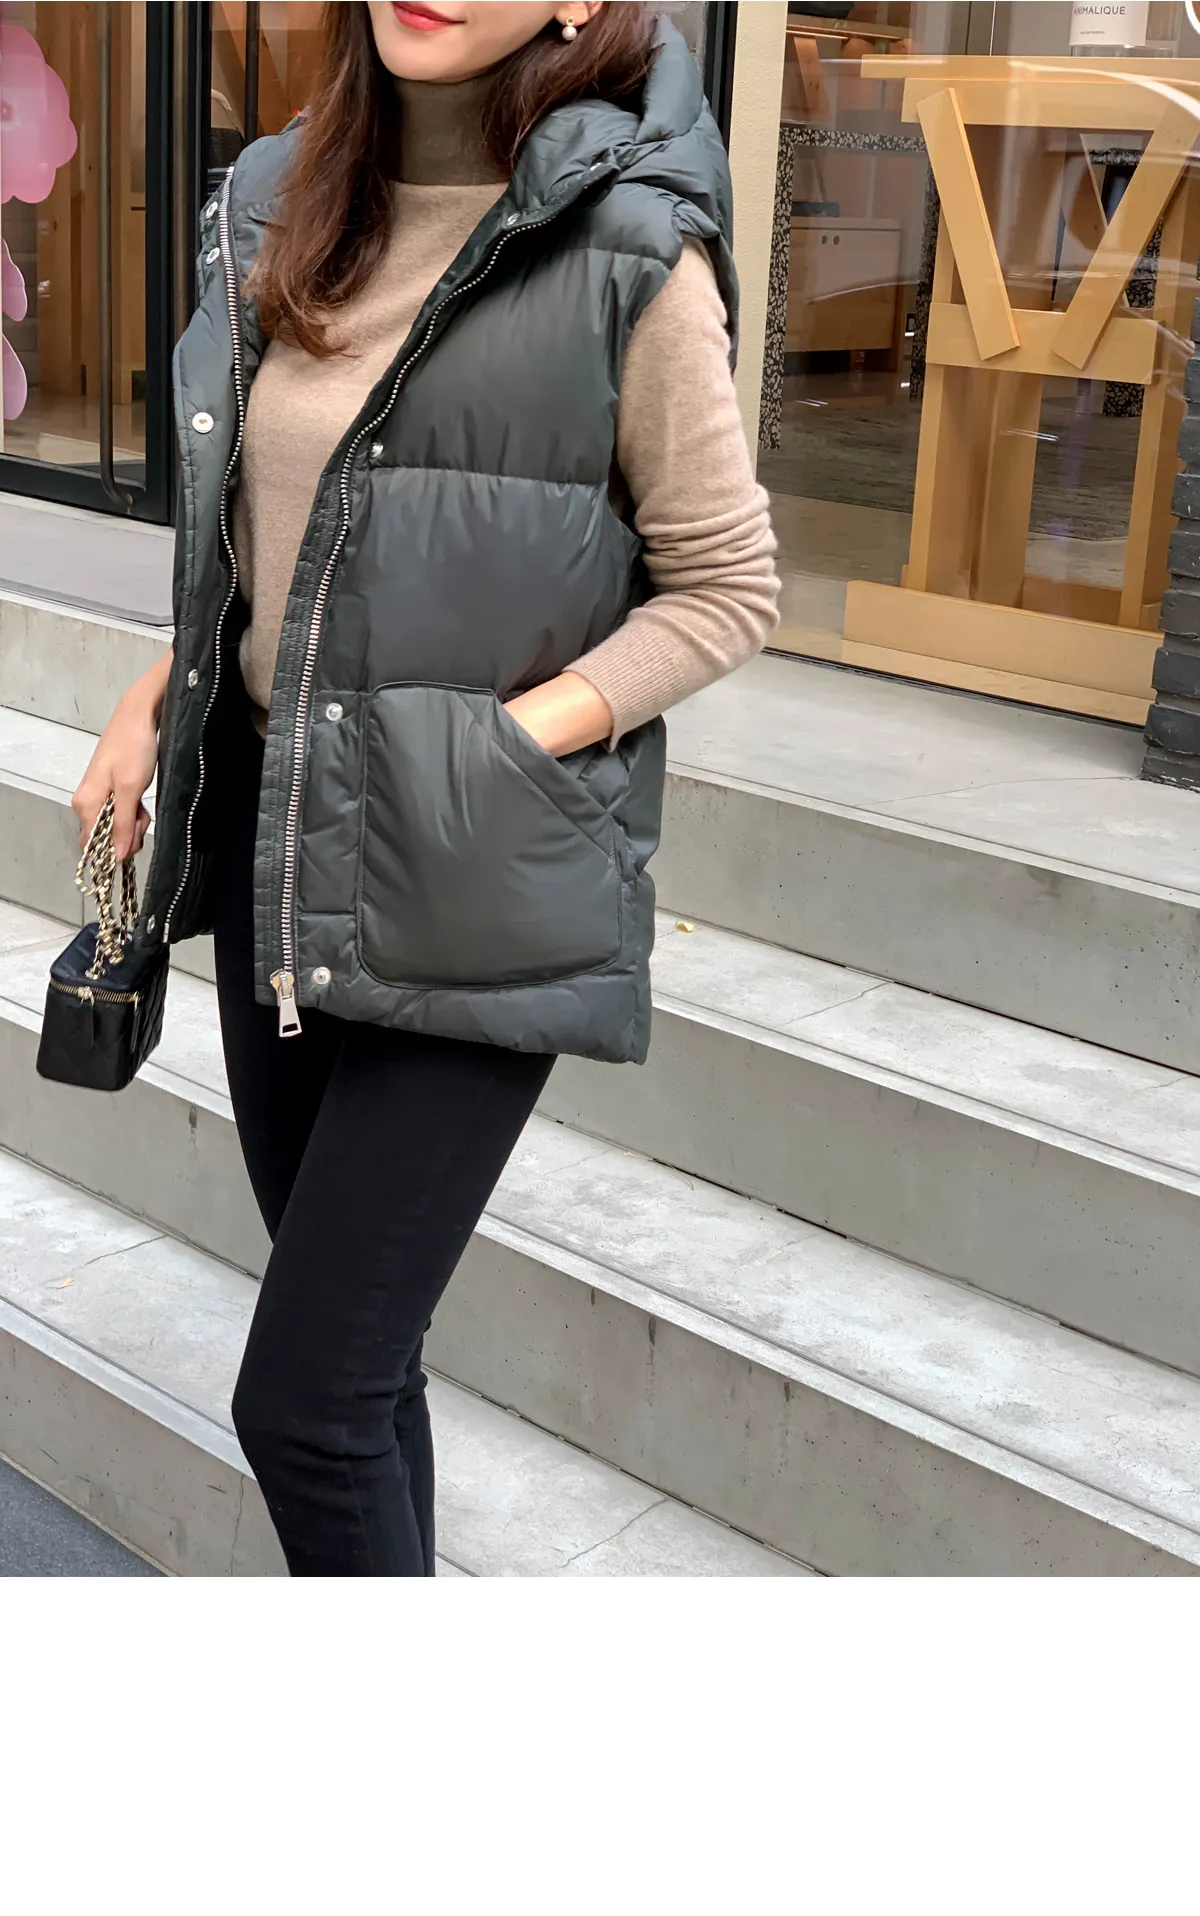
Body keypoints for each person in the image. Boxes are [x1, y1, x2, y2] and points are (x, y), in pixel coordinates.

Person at [71, 0, 779, 1576]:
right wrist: (153, 694)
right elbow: (266, 535)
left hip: (473, 878)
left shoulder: (630, 246)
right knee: (363, 1373)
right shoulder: (284, 199)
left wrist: (501, 748)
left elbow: (728, 587)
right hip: (277, 845)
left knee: (303, 1405)